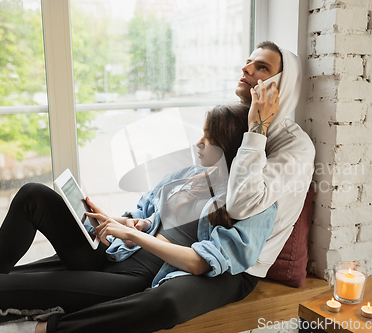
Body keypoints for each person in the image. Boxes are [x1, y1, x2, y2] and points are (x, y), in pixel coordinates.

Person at [28, 41, 315, 333]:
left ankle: (51, 328)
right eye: (248, 61)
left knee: (167, 301)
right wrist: (130, 221)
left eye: (262, 67)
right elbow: (192, 192)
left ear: (283, 85)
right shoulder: (238, 121)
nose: (246, 68)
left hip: (240, 262)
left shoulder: (293, 145)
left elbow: (240, 204)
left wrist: (257, 131)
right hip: (199, 244)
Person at [0, 104, 277, 332]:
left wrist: (132, 234)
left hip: (135, 278)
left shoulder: (250, 202)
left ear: (227, 149)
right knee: (33, 195)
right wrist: (118, 221)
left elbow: (200, 262)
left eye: (207, 139)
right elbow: (145, 216)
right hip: (117, 253)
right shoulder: (191, 175)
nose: (198, 143)